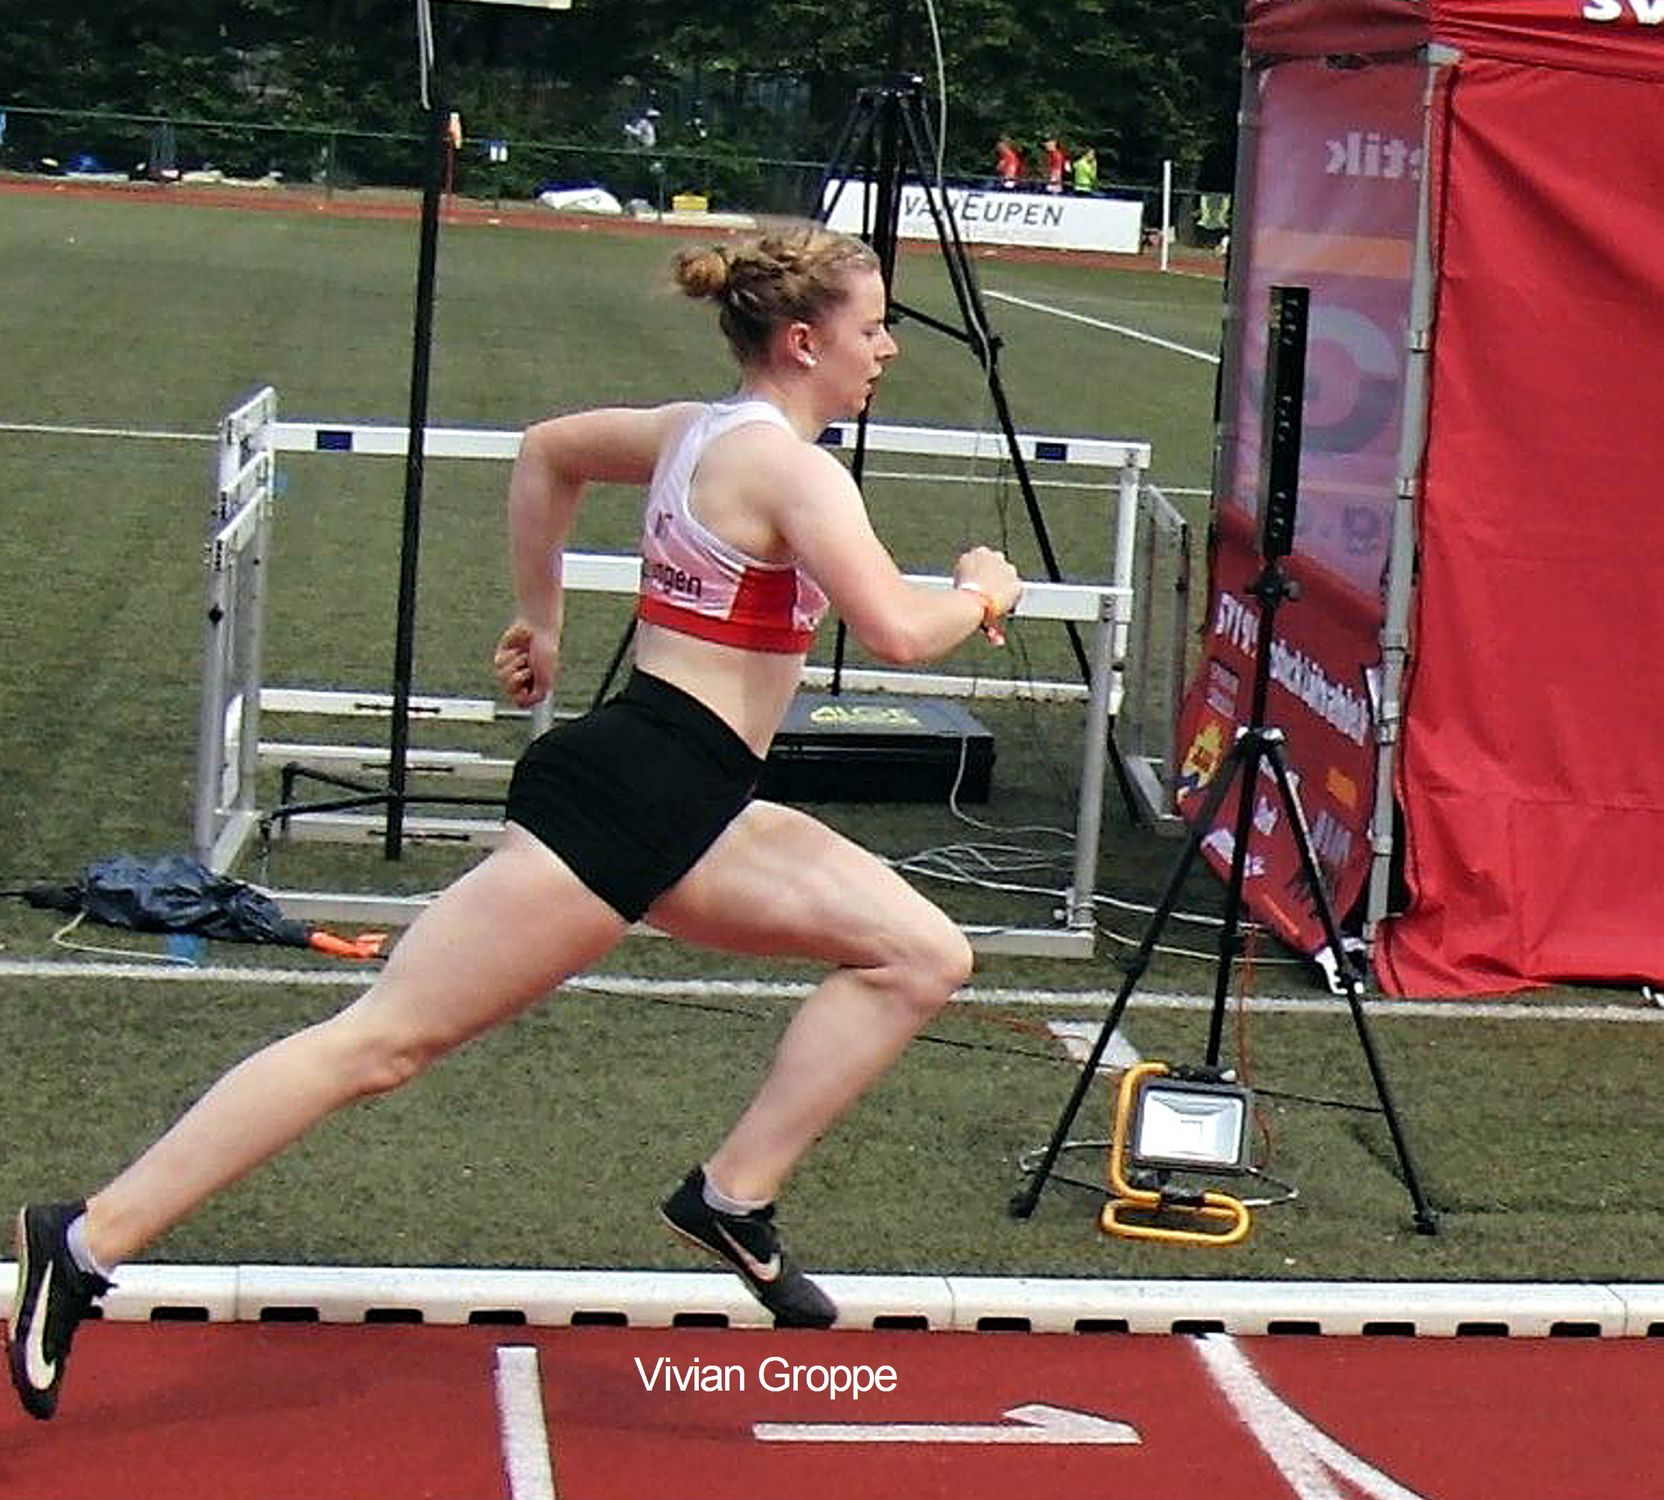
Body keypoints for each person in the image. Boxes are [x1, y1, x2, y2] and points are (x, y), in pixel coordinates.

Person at [6, 224, 1024, 1422]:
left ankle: (731, 1196)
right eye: (872, 328)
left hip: (690, 795)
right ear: (803, 342)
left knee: (919, 953)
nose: (886, 350)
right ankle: (85, 1239)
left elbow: (549, 451)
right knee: (379, 1044)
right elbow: (898, 632)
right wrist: (979, 591)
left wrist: (540, 617)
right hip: (633, 801)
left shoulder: (692, 432)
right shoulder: (796, 474)